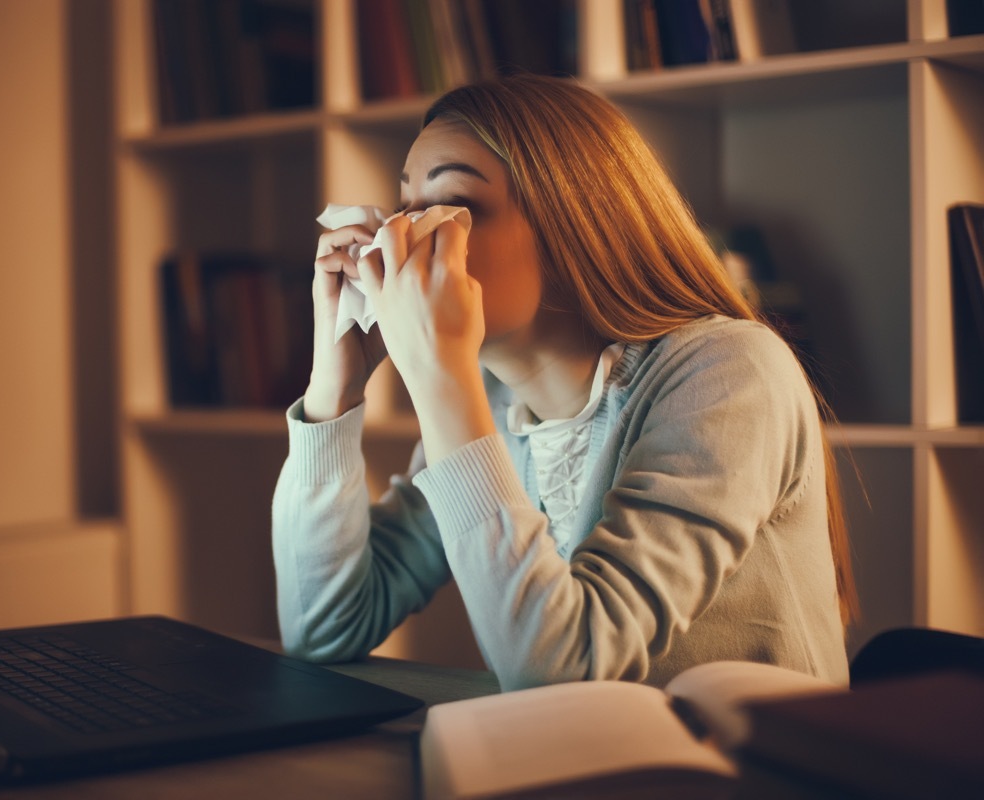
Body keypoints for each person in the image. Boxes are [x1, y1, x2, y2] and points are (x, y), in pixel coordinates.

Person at [272, 73, 855, 691]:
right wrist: (333, 390)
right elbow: (323, 628)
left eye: (449, 209)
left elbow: (564, 671)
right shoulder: (496, 405)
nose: (398, 242)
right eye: (403, 207)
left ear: (574, 228)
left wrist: (441, 381)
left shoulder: (731, 372)